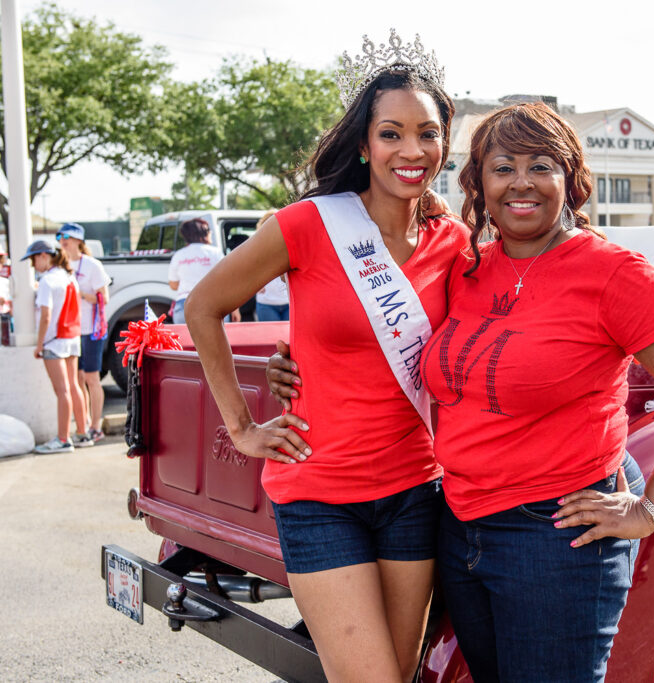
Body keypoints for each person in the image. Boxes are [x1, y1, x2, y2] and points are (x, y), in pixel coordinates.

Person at [269, 103, 654, 682]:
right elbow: (380, 330)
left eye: (540, 166)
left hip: (554, 536)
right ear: (479, 185)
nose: (521, 182)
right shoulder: (466, 267)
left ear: (570, 179)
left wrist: (651, 510)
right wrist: (293, 361)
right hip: (459, 527)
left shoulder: (612, 272)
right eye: (502, 168)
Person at [186, 31, 467, 683]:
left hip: (414, 490)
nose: (411, 150)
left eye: (427, 133)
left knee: (400, 674)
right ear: (365, 145)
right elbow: (203, 307)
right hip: (320, 494)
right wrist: (241, 426)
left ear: (443, 143)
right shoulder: (309, 224)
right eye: (392, 133)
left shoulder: (451, 240)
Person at [21, 238, 94, 454]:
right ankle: (82, 434)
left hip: (54, 341)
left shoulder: (47, 281)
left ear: (44, 256)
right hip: (72, 338)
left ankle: (63, 439)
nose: (33, 265)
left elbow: (46, 316)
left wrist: (39, 344)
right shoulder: (69, 277)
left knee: (62, 391)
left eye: (33, 259)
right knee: (73, 386)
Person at [56, 223, 111, 442]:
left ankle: (96, 426)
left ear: (78, 240)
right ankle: (84, 423)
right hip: (71, 330)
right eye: (60, 236)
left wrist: (80, 294)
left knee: (91, 378)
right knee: (76, 378)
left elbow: (104, 298)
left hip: (91, 330)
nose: (62, 240)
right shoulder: (60, 265)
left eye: (67, 236)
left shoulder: (92, 265)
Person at [168, 218, 241, 325]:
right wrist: (235, 309)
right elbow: (227, 281)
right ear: (204, 233)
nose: (211, 233)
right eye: (208, 230)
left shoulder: (179, 255)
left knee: (185, 336)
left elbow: (173, 285)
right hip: (213, 303)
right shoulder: (215, 253)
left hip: (184, 305)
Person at [253, 210, 290, 322]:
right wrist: (255, 286)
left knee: (289, 333)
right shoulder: (257, 247)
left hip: (288, 301)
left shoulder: (288, 243)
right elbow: (248, 270)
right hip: (267, 303)